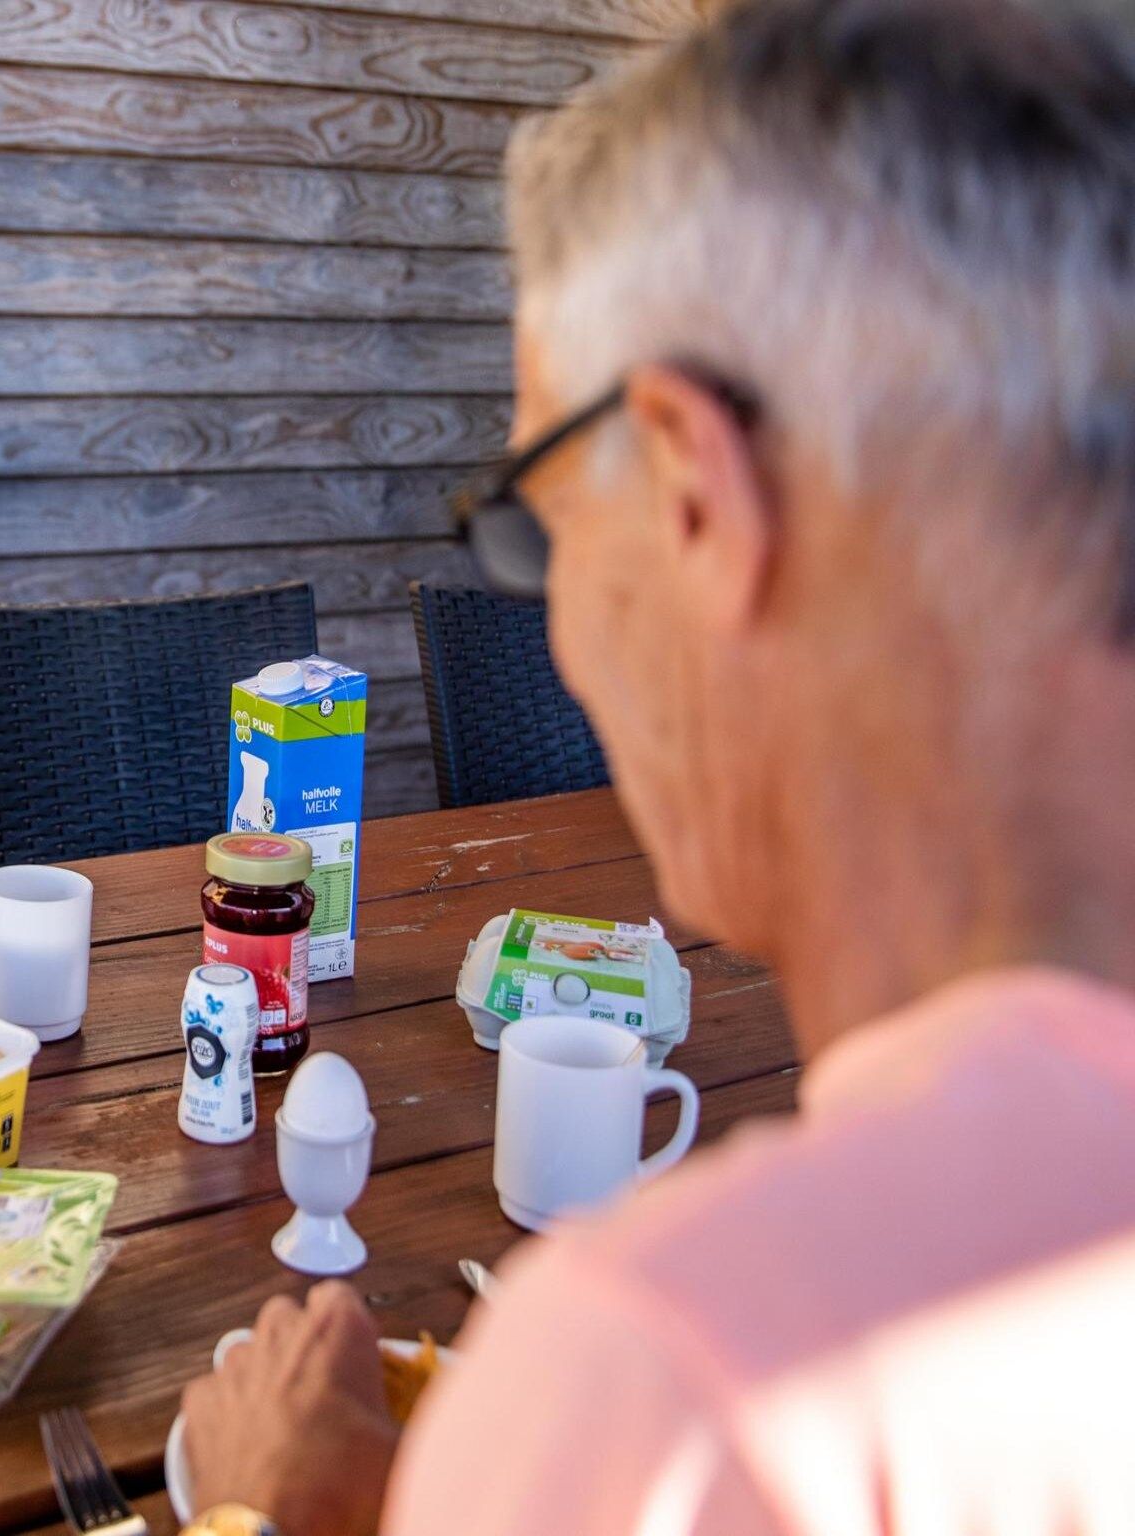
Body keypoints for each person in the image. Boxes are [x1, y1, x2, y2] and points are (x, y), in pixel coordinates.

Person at [180, 0, 1135, 1531]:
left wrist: (282, 1519)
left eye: (540, 523)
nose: (555, 617)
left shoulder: (685, 1376)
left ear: (696, 496)